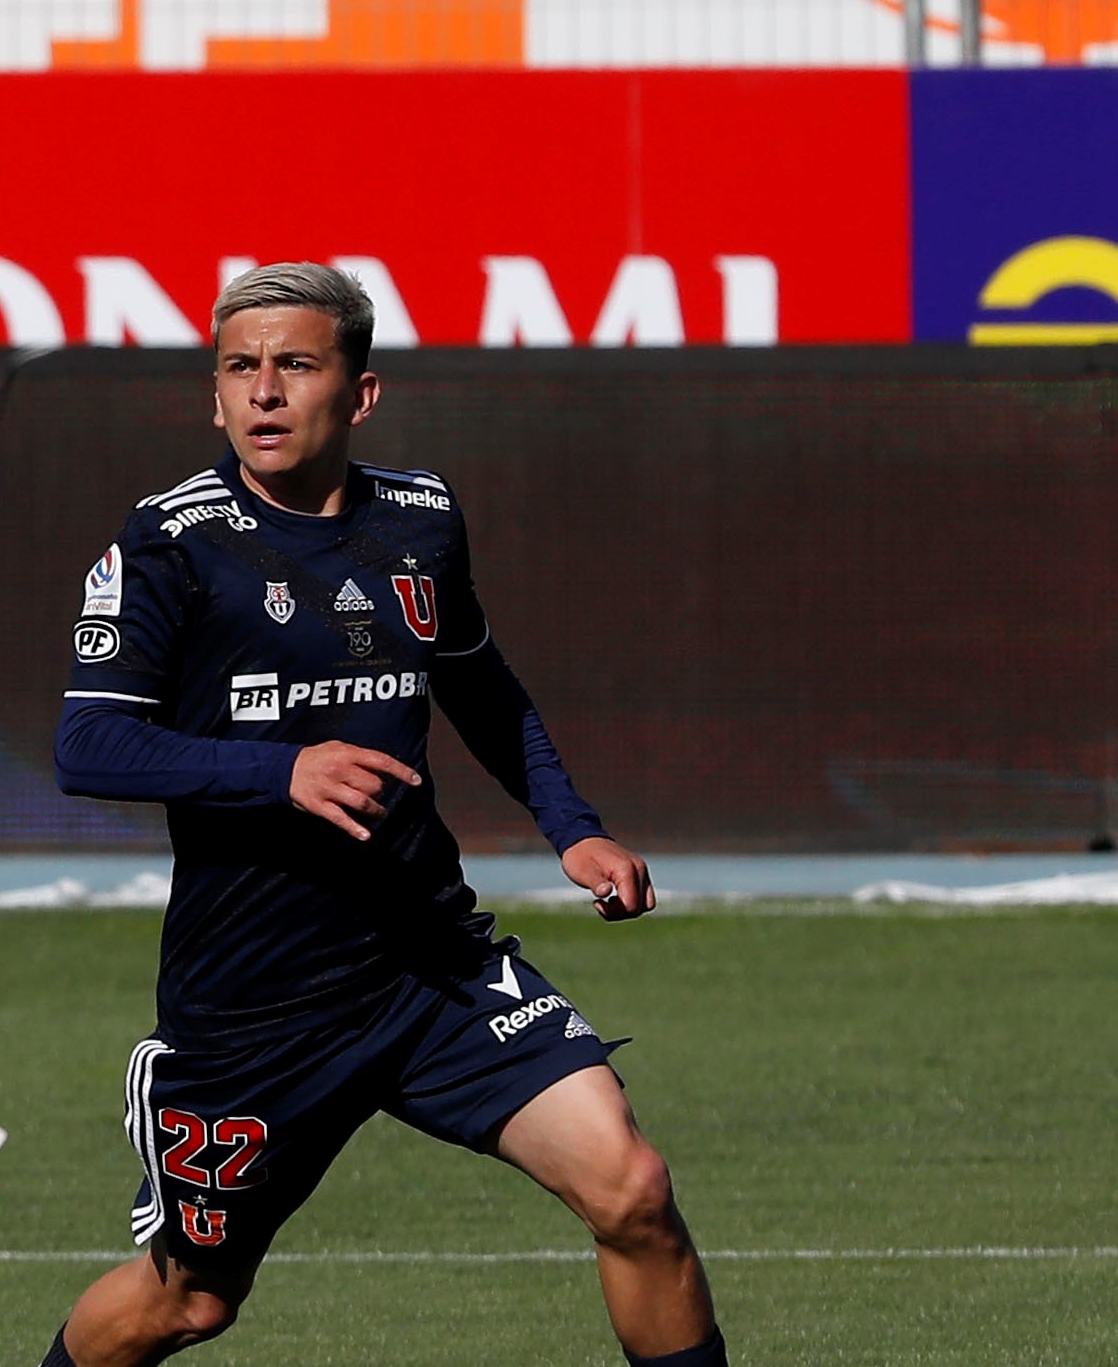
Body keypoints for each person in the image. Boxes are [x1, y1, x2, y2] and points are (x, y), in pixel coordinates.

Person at [38, 262, 726, 1367]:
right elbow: (88, 745)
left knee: (631, 1188)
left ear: (357, 393)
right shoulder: (168, 545)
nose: (262, 391)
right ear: (212, 396)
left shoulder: (418, 517)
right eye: (237, 368)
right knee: (188, 1302)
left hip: (425, 964)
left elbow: (479, 684)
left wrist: (571, 825)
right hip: (254, 1004)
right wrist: (280, 774)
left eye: (293, 365)